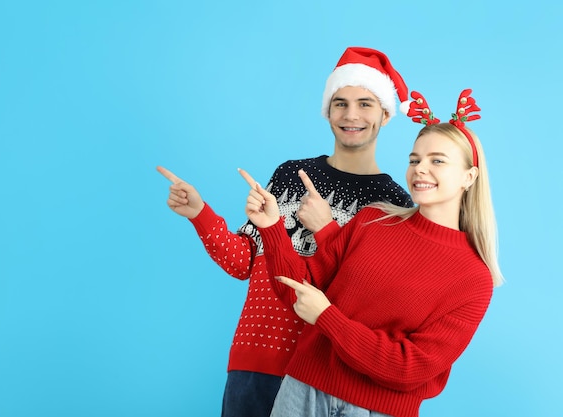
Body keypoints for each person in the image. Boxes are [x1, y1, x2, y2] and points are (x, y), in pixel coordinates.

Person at [157, 47, 413, 417]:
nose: (351, 114)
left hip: (321, 379)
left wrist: (327, 227)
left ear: (386, 114)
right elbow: (243, 261)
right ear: (328, 111)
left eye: (365, 103)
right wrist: (199, 212)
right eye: (340, 103)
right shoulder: (290, 174)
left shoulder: (392, 204)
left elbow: (369, 298)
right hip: (253, 361)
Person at [240, 88, 504, 417]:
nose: (420, 169)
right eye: (414, 159)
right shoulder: (371, 221)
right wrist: (272, 226)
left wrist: (328, 318)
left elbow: (410, 368)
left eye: (437, 160)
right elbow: (299, 291)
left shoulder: (474, 278)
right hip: (302, 390)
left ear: (469, 176)